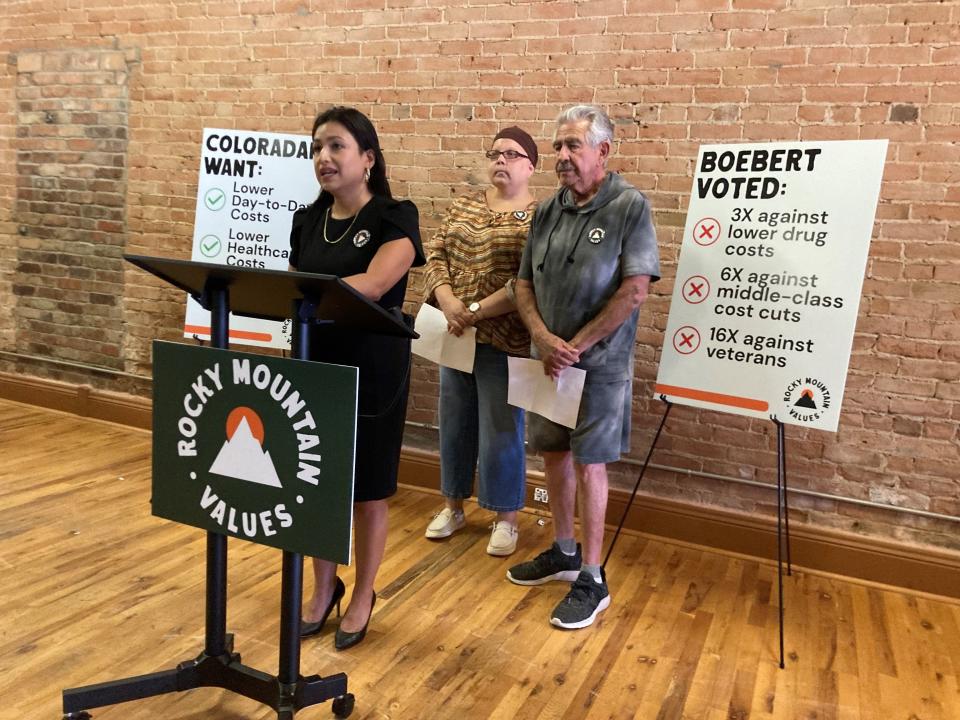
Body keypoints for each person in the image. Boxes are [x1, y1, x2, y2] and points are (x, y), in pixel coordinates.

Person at [508, 105, 660, 629]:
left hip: (597, 365)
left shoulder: (628, 207)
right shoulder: (548, 211)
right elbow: (523, 282)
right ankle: (564, 550)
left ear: (603, 151)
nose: (562, 157)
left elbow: (634, 289)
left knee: (589, 462)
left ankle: (592, 577)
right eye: (558, 147)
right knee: (551, 451)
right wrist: (543, 338)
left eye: (573, 146)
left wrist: (574, 344)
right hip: (547, 362)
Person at [289, 106, 424, 650]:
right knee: (319, 486)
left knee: (367, 492)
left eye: (337, 146)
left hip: (374, 368)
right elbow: (298, 285)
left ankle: (364, 593)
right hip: (316, 362)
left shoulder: (396, 215)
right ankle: (324, 588)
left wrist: (313, 288)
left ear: (367, 158)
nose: (324, 157)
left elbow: (372, 284)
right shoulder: (306, 219)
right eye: (318, 147)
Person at [421, 127, 538, 556]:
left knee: (501, 429)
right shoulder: (463, 206)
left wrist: (477, 311)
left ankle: (505, 516)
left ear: (530, 166)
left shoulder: (539, 216)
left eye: (511, 154)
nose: (500, 161)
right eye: (494, 154)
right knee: (453, 422)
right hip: (453, 333)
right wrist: (448, 301)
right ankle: (452, 505)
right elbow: (435, 255)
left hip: (503, 338)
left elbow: (529, 278)